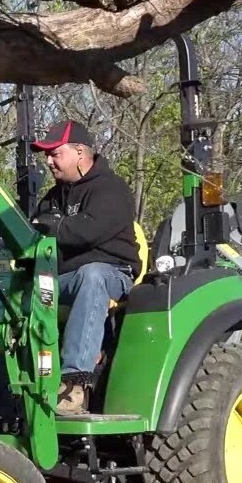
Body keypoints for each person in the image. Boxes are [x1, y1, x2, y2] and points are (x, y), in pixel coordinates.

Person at [29, 120, 141, 415]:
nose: (48, 161)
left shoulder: (111, 189)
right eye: (47, 155)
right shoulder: (54, 196)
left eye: (55, 153)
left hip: (114, 275)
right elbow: (35, 230)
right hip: (62, 277)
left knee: (91, 276)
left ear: (80, 152)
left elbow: (86, 232)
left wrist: (51, 226)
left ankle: (72, 384)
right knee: (16, 285)